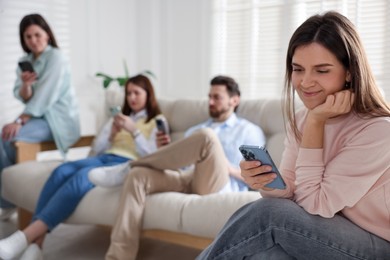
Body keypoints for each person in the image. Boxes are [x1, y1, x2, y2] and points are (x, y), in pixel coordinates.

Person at [197, 11, 390, 260]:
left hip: (377, 243)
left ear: (350, 72)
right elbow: (292, 190)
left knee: (268, 214)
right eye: (298, 69)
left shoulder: (378, 130)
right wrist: (265, 182)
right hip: (328, 232)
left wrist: (315, 123)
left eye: (322, 70)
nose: (305, 82)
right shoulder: (303, 117)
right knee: (265, 253)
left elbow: (314, 204)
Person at [0, 74, 166, 260]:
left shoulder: (157, 121)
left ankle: (24, 238)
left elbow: (154, 156)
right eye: (128, 93)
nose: (132, 98)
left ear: (148, 94)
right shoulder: (118, 118)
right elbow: (95, 151)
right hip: (104, 157)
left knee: (82, 178)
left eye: (136, 93)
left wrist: (134, 131)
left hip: (125, 163)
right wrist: (111, 135)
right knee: (61, 171)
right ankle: (36, 245)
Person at [102, 75, 266, 260]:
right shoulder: (195, 129)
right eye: (209, 96)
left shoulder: (249, 131)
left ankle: (130, 164)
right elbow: (180, 163)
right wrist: (164, 149)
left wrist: (226, 167)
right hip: (186, 176)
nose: (210, 102)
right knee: (138, 176)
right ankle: (118, 257)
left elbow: (258, 176)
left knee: (207, 137)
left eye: (217, 97)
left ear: (234, 100)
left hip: (219, 183)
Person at [0, 13, 80, 221]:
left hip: (58, 119)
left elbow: (46, 95)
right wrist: (26, 84)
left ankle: (12, 199)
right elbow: (22, 95)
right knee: (4, 139)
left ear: (47, 34)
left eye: (37, 34)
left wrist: (19, 121)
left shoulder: (57, 58)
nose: (33, 41)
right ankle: (12, 199)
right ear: (23, 39)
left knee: (8, 137)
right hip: (37, 116)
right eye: (28, 37)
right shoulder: (25, 61)